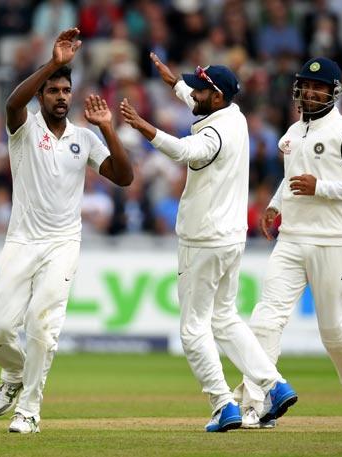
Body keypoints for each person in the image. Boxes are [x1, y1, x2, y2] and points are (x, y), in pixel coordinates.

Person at [119, 53, 297, 432]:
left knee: (193, 327)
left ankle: (223, 404)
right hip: (231, 237)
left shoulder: (213, 133)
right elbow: (194, 99)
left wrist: (143, 126)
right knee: (225, 318)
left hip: (203, 239)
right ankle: (274, 384)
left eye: (200, 89)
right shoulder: (233, 116)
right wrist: (173, 82)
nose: (193, 94)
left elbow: (185, 151)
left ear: (216, 96)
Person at [0, 27, 133, 434]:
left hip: (63, 244)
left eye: (66, 90)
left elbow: (124, 177)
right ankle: (14, 375)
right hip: (21, 240)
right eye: (54, 91)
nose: (62, 97)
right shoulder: (24, 128)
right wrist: (53, 62)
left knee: (41, 327)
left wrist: (106, 127)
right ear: (42, 96)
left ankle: (29, 411)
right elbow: (12, 102)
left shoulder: (83, 139)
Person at [236, 57, 342, 428]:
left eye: (319, 87)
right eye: (306, 86)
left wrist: (323, 188)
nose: (311, 92)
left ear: (333, 92)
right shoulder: (294, 131)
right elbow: (292, 177)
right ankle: (256, 399)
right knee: (266, 320)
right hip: (292, 238)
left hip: (334, 240)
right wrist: (273, 205)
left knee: (332, 329)